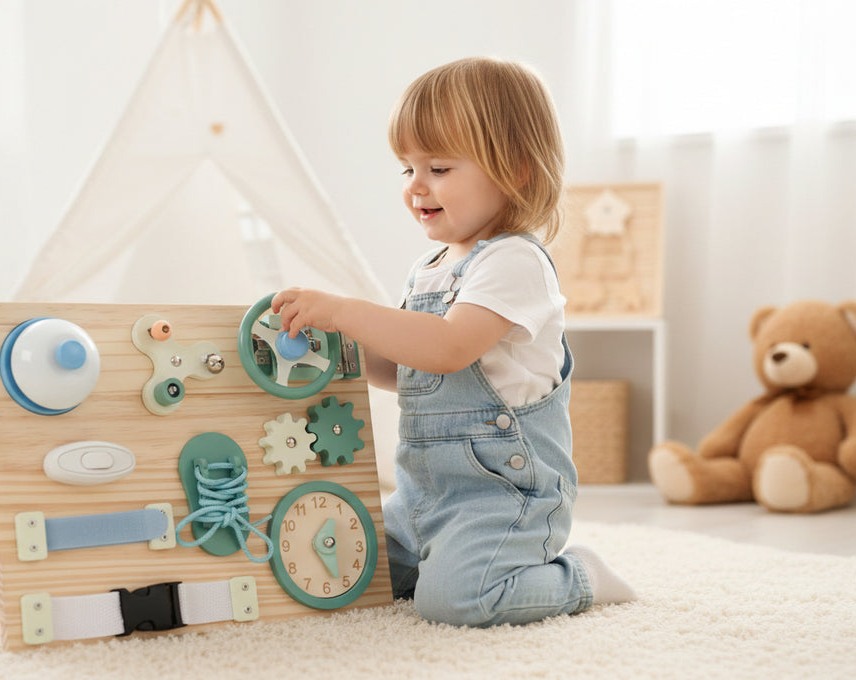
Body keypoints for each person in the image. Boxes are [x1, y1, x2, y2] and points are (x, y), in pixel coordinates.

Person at [271, 56, 635, 627]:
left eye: (437, 167)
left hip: (501, 499)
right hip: (422, 497)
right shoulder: (430, 268)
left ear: (514, 170)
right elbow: (409, 370)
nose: (416, 187)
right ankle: (433, 555)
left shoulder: (515, 261)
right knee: (342, 572)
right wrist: (339, 343)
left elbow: (446, 348)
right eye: (407, 169)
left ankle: (582, 576)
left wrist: (347, 308)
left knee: (456, 602)